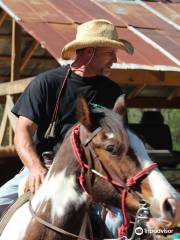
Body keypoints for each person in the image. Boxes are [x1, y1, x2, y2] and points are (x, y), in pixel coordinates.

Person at [0, 19, 149, 237]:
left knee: (119, 226)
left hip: (93, 175)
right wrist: (34, 168)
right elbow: (22, 132)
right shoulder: (46, 83)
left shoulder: (112, 91)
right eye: (110, 53)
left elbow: (118, 143)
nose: (115, 60)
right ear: (89, 52)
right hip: (46, 168)